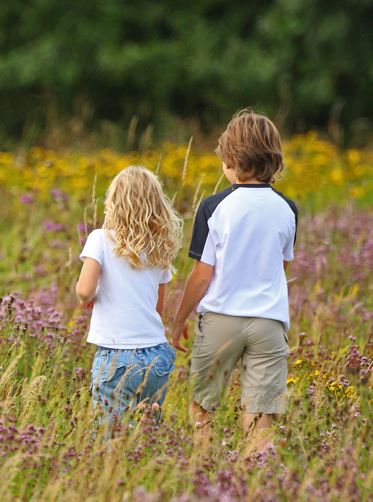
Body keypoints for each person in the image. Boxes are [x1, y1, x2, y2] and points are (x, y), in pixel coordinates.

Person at [170, 110, 297, 454]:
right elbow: (282, 266)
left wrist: (179, 319)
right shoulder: (288, 208)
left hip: (221, 320)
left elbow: (201, 276)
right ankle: (259, 478)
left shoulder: (214, 206)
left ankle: (202, 472)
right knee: (260, 413)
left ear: (230, 159)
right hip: (269, 323)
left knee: (202, 406)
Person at [76, 165, 183, 431]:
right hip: (157, 355)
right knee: (145, 436)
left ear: (113, 202)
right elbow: (157, 308)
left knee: (109, 440)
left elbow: (84, 290)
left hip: (116, 356)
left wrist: (92, 295)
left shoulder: (99, 239)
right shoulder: (160, 249)